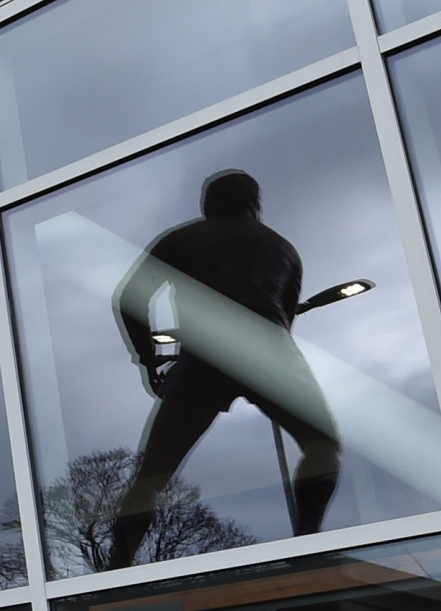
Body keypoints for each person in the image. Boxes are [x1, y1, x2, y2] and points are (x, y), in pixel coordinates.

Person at [108, 170, 340, 570]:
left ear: (208, 204)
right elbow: (284, 319)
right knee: (322, 447)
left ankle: (117, 568)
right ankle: (307, 543)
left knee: (151, 477)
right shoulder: (283, 249)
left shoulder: (181, 240)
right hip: (268, 349)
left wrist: (150, 363)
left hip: (203, 356)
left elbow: (130, 299)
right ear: (255, 204)